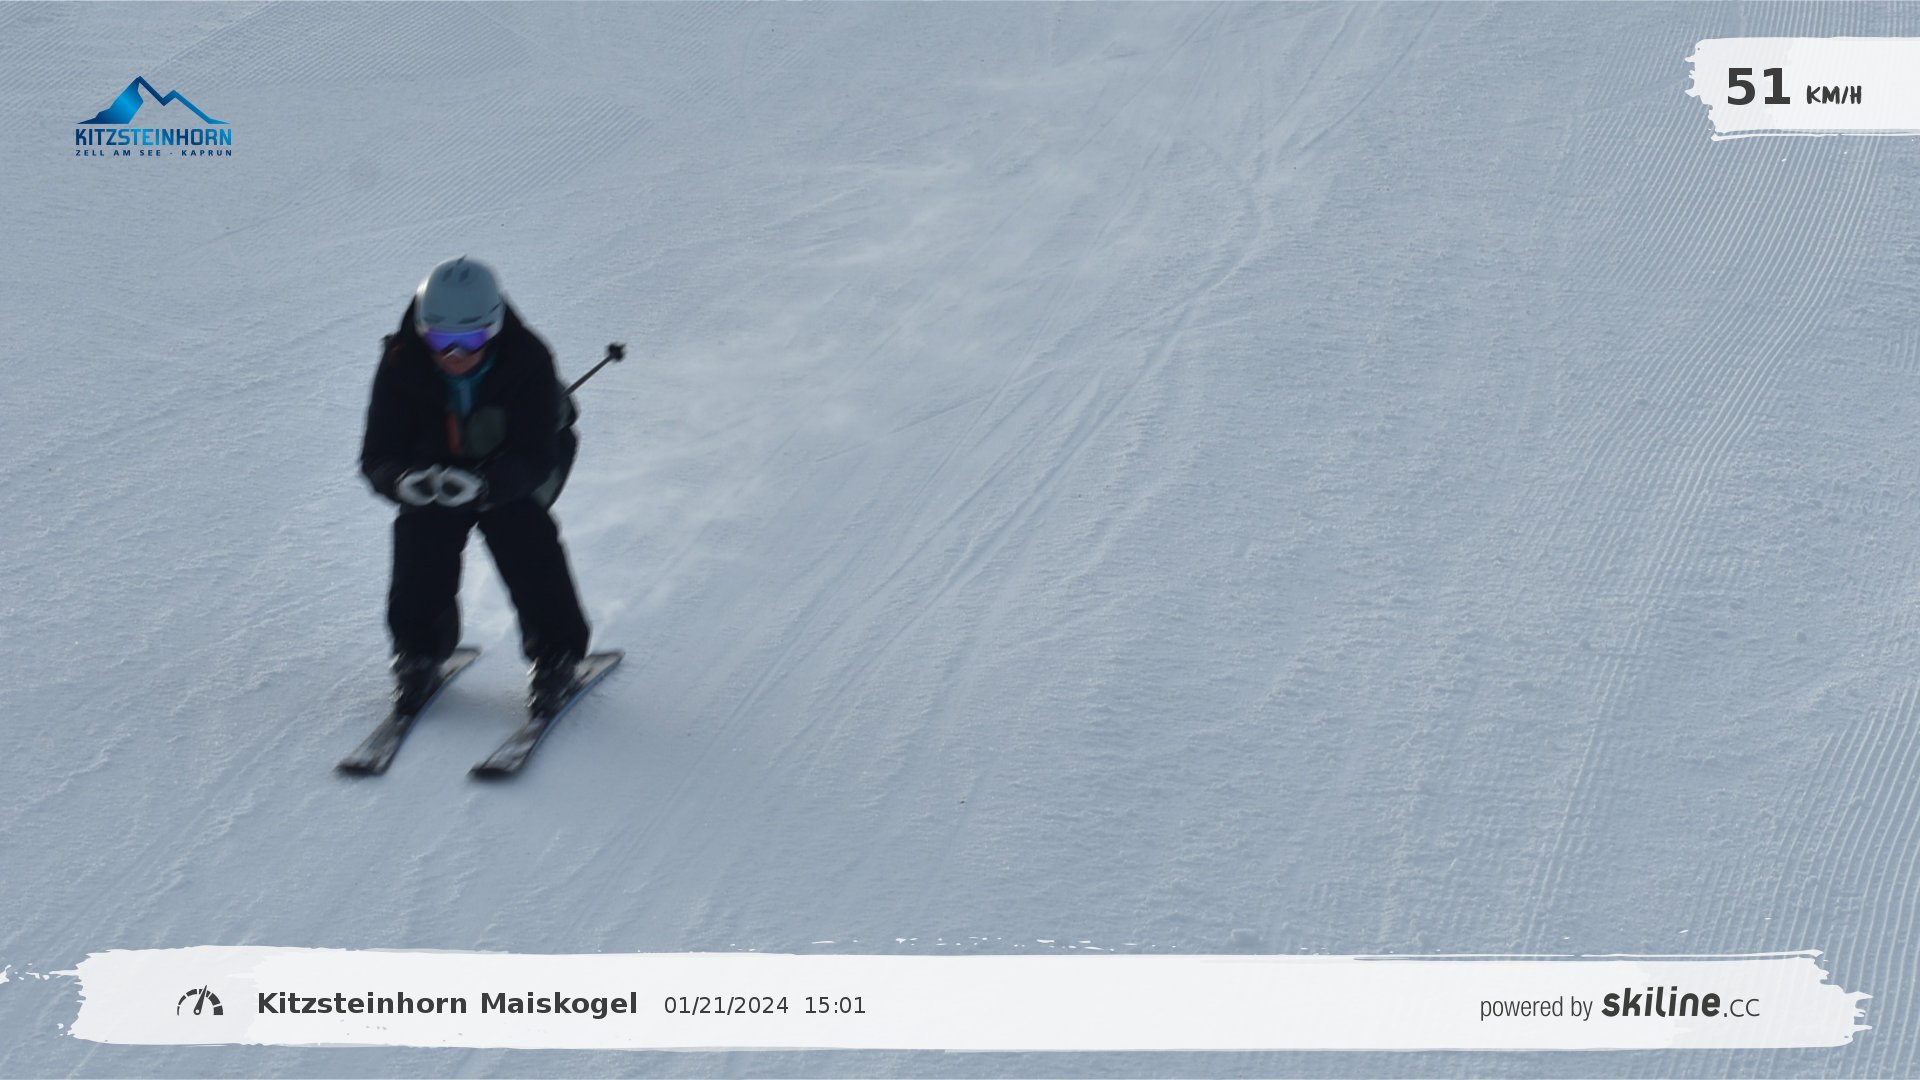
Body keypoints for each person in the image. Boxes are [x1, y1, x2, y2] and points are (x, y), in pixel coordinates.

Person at [360, 256, 590, 714]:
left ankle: (556, 655)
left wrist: (486, 487)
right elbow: (378, 454)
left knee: (519, 527)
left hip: (514, 464)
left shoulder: (528, 359)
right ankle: (418, 651)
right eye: (440, 340)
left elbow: (535, 455)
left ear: (494, 329)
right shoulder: (401, 362)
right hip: (438, 468)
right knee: (423, 528)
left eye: (470, 340)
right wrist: (403, 482)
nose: (454, 355)